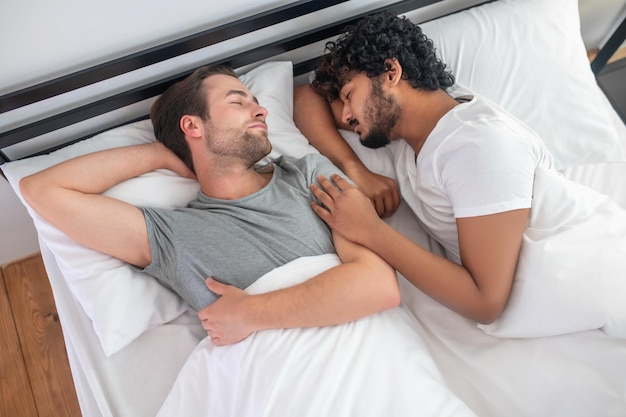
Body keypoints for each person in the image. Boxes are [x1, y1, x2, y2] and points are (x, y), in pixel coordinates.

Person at [19, 64, 400, 346]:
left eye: (256, 102)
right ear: (192, 127)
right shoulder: (173, 237)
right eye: (239, 102)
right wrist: (159, 155)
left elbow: (379, 285)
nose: (261, 111)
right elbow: (41, 190)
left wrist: (251, 312)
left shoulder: (308, 175)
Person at [293, 11, 555, 324]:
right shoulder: (411, 132)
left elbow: (485, 303)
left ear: (391, 72)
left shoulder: (477, 144)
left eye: (349, 95)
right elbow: (305, 97)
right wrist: (356, 169)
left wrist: (370, 230)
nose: (346, 114)